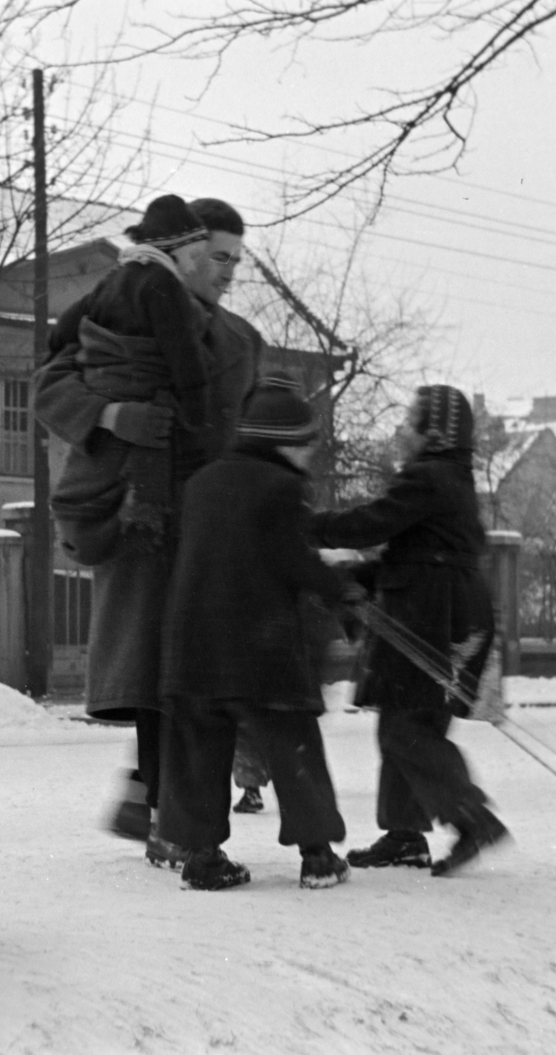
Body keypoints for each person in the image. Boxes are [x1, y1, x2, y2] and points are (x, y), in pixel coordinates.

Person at [36, 198, 263, 869]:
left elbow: (253, 432)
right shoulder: (118, 311)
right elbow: (50, 385)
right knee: (151, 669)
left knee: (191, 673)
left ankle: (163, 806)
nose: (224, 272)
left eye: (234, 261)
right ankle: (164, 809)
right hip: (136, 513)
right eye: (215, 256)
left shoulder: (244, 342)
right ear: (185, 253)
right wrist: (110, 415)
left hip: (207, 522)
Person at [158, 376, 354, 890]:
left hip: (193, 644)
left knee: (199, 748)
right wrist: (341, 589)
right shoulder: (283, 487)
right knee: (292, 743)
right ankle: (317, 856)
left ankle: (202, 857)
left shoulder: (200, 483)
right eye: (307, 442)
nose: (311, 453)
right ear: (284, 442)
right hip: (261, 646)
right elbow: (293, 560)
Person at [310, 385, 509, 878]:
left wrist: (306, 526)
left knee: (407, 728)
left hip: (435, 616)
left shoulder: (431, 478)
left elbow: (372, 522)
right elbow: (414, 553)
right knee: (406, 722)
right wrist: (364, 576)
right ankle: (404, 835)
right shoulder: (449, 480)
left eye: (412, 420)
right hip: (444, 610)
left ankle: (472, 818)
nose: (404, 430)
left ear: (435, 432)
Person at [47, 193, 213, 564]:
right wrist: (197, 411)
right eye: (195, 252)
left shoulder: (113, 280)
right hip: (142, 397)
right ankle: (145, 521)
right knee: (147, 468)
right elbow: (181, 353)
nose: (197, 262)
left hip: (106, 390)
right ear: (177, 247)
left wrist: (60, 341)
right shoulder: (162, 286)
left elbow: (66, 324)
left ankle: (115, 523)